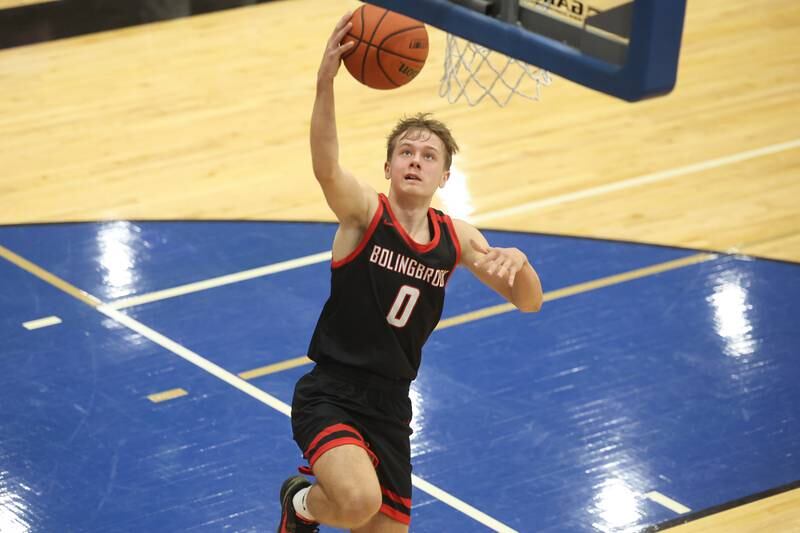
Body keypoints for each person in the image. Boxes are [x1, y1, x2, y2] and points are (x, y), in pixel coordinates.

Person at [278, 11, 543, 533]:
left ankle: (307, 505)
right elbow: (326, 166)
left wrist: (523, 263)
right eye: (405, 152)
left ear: (445, 174)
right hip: (332, 391)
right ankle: (299, 505)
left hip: (392, 404)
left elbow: (529, 301)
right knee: (354, 502)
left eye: (428, 155)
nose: (415, 161)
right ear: (388, 168)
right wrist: (324, 84)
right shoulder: (363, 214)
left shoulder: (458, 238)